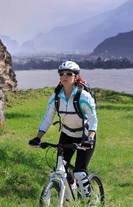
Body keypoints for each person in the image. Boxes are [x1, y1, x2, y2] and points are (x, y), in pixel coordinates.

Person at [28, 61, 98, 198]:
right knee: (60, 169)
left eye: (69, 74)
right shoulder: (56, 97)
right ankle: (71, 189)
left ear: (76, 77)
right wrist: (38, 137)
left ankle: (89, 205)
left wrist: (90, 138)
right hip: (67, 134)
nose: (64, 76)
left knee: (80, 172)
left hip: (85, 136)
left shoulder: (83, 97)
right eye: (61, 74)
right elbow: (48, 118)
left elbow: (93, 120)